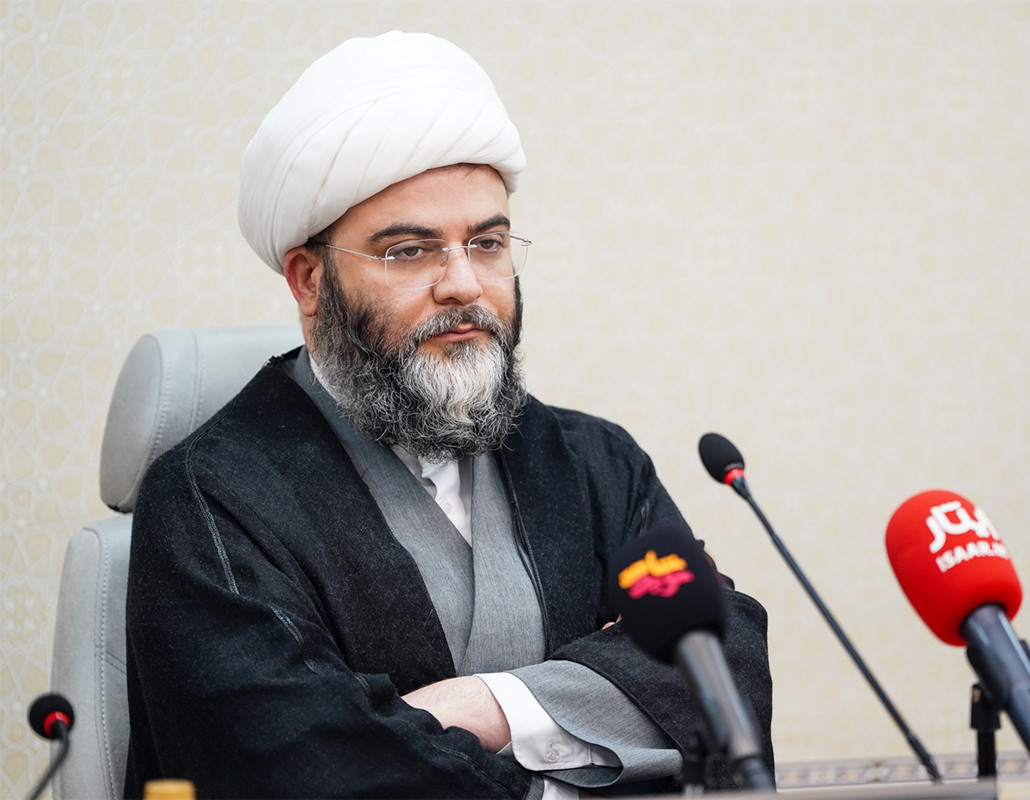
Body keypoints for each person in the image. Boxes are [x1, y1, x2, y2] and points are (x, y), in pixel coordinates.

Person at [123, 31, 772, 799]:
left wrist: (481, 707)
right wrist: (587, 716)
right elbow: (305, 768)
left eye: (487, 243)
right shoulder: (210, 500)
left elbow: (725, 666)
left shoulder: (595, 462)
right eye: (410, 250)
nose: (463, 283)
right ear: (307, 279)